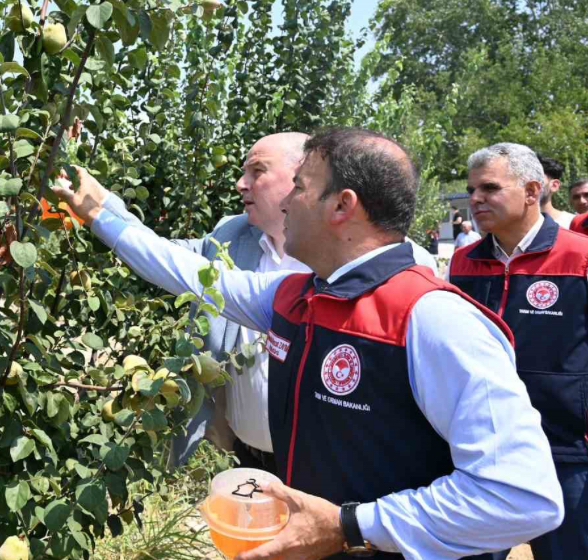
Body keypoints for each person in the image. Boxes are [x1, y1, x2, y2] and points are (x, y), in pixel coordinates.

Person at [57, 127, 562, 560]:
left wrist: (351, 526)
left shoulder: (432, 319)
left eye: (299, 187)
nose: (285, 201)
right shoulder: (293, 296)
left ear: (343, 205)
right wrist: (101, 213)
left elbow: (522, 496)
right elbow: (189, 273)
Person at [109, 132, 311, 473]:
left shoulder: (337, 256)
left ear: (303, 176)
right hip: (247, 458)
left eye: (257, 171)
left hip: (316, 467)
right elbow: (162, 254)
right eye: (243, 172)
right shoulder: (232, 235)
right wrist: (99, 206)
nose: (240, 184)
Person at [449, 143, 588, 560]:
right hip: (483, 449)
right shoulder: (462, 262)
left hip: (566, 451)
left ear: (531, 191)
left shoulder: (580, 257)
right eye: (471, 190)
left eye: (489, 188)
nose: (475, 199)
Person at [538, 155, 576, 228]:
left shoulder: (573, 224)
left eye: (537, 179)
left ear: (554, 185)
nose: (529, 184)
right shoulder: (515, 226)